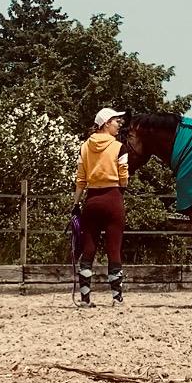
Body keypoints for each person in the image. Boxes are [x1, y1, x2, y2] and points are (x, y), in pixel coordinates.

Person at [73, 107, 129, 307]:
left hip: (92, 200)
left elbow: (80, 179)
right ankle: (117, 297)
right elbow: (124, 177)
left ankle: (85, 297)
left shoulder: (84, 147)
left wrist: (75, 203)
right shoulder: (119, 147)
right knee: (114, 249)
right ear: (106, 124)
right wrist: (121, 187)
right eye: (116, 121)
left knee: (88, 249)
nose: (118, 125)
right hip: (113, 198)